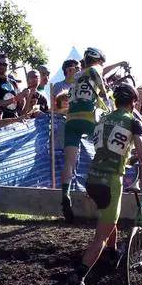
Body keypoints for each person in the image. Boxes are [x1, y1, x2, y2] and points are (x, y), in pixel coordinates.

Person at [73, 82, 142, 285]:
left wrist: (127, 159)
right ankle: (79, 277)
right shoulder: (132, 122)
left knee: (109, 219)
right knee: (100, 236)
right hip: (111, 180)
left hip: (93, 177)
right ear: (134, 102)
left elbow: (110, 149)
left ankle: (113, 254)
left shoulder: (104, 119)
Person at [61, 46, 111, 222]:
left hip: (71, 119)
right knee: (104, 149)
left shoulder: (77, 75)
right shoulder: (95, 68)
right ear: (97, 60)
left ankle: (65, 195)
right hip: (88, 116)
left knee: (69, 161)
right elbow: (101, 84)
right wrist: (107, 96)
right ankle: (98, 187)